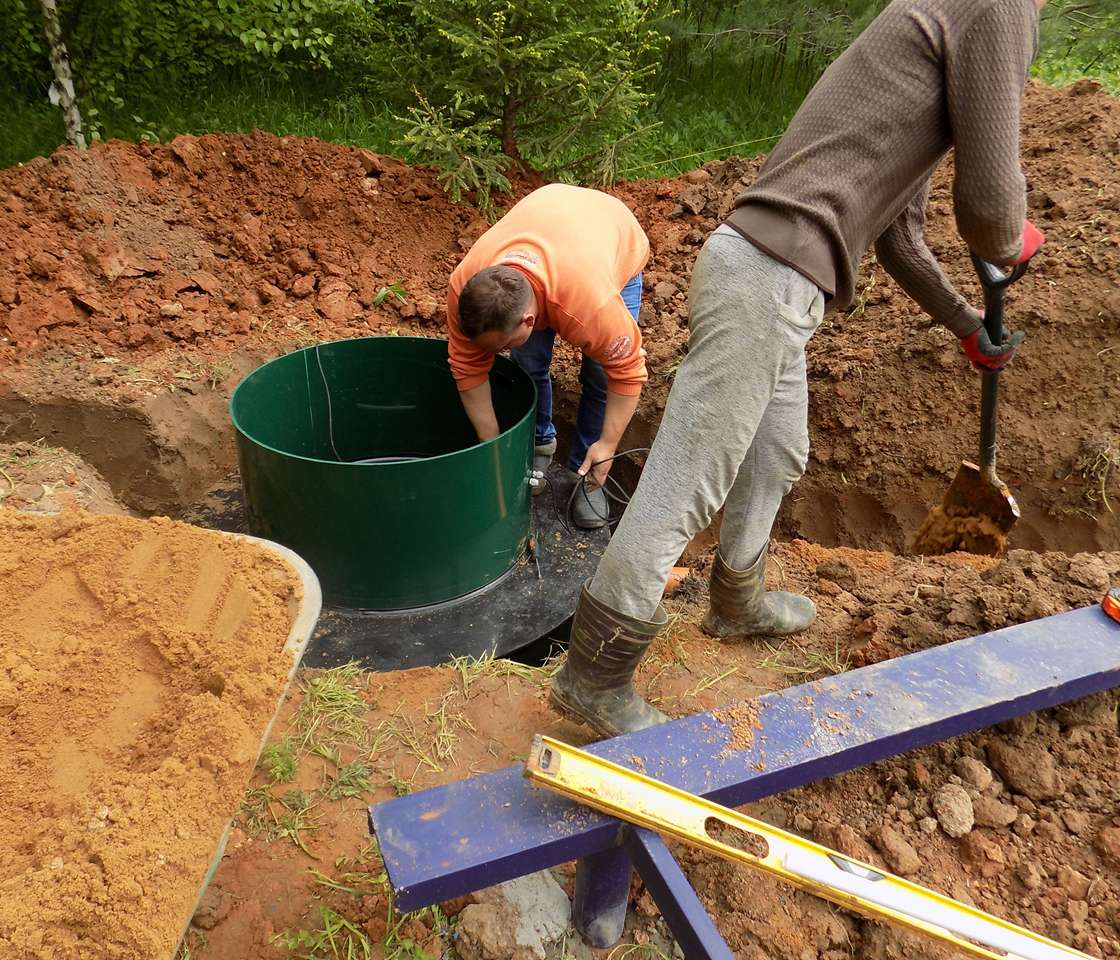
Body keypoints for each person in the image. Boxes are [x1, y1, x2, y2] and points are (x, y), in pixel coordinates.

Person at [550, 0, 1048, 737]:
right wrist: (1012, 238)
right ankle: (593, 677)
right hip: (767, 277)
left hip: (778, 279)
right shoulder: (999, 5)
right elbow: (989, 208)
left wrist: (967, 324)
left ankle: (737, 598)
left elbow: (901, 236)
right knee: (689, 477)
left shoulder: (942, 20)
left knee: (779, 450)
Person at [446, 183, 650, 529]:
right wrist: (493, 447)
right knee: (527, 363)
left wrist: (608, 446)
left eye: (500, 347)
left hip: (612, 237)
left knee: (601, 374)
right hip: (551, 222)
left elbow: (627, 374)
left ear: (529, 320)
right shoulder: (465, 287)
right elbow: (468, 368)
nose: (495, 355)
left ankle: (586, 476)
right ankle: (540, 447)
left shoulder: (592, 306)